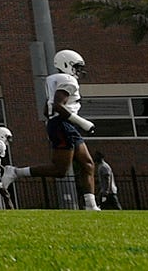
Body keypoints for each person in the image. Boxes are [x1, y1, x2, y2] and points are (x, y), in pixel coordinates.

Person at [42, 48, 100, 211]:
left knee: (88, 164)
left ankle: (91, 206)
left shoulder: (53, 80)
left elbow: (47, 110)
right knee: (59, 170)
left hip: (62, 124)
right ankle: (16, 172)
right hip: (63, 123)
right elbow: (58, 106)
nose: (79, 71)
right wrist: (83, 123)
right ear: (66, 64)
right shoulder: (67, 80)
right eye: (76, 67)